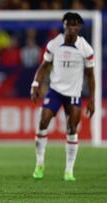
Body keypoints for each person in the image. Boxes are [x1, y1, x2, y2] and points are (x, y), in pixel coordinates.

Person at [30, 12, 95, 181]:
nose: (71, 28)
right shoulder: (54, 44)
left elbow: (90, 75)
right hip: (55, 91)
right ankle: (39, 163)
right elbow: (44, 66)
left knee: (72, 130)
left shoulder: (86, 49)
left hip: (73, 94)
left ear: (79, 27)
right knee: (42, 123)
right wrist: (35, 84)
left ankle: (69, 170)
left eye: (75, 25)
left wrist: (93, 99)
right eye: (68, 24)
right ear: (64, 25)